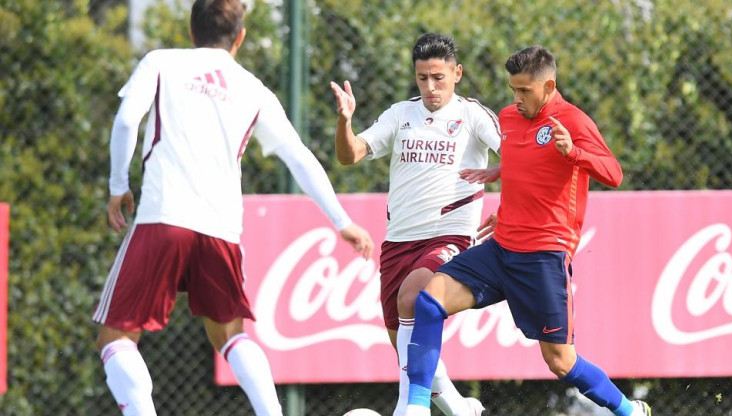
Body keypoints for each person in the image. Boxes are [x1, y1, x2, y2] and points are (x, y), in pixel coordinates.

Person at [92, 1, 374, 415]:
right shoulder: (254, 89)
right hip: (221, 230)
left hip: (163, 217)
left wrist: (118, 185)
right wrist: (342, 221)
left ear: (192, 32)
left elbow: (125, 122)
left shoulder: (161, 63)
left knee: (116, 336)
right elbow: (299, 157)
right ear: (239, 38)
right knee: (229, 335)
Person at [403, 46, 653, 416]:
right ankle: (417, 408)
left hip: (543, 257)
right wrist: (500, 186)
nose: (516, 99)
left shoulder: (573, 122)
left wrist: (574, 154)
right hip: (501, 249)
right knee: (428, 300)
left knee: (561, 363)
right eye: (512, 89)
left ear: (548, 86)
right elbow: (524, 163)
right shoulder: (508, 117)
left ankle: (629, 411)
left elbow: (613, 173)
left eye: (524, 91)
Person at [330, 33, 500, 416]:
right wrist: (345, 122)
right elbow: (350, 154)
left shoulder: (473, 115)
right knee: (408, 347)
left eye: (438, 77)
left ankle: (409, 410)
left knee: (414, 298)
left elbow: (517, 156)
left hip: (451, 235)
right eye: (422, 77)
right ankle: (461, 409)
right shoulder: (400, 114)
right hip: (398, 243)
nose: (430, 87)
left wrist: (507, 196)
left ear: (457, 73)